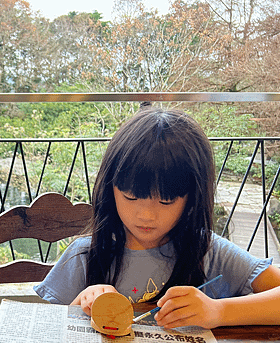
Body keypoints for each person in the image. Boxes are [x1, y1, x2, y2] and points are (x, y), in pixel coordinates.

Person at [35, 106, 280, 329]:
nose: (146, 215)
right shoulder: (85, 255)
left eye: (166, 201)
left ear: (191, 199)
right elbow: (46, 331)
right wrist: (80, 303)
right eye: (131, 197)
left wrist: (219, 311)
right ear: (111, 189)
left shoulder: (209, 251)